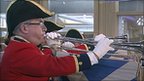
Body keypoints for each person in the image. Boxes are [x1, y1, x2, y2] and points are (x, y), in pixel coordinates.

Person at [0, 0, 113, 81]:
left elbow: (47, 60)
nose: (44, 28)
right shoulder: (18, 51)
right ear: (24, 28)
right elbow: (52, 65)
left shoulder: (23, 47)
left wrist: (52, 47)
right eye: (40, 23)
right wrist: (94, 55)